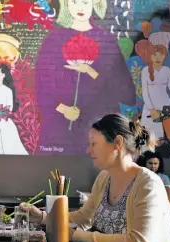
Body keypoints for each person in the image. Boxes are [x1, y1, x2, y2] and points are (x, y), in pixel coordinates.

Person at [21, 114, 170, 242]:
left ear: (117, 143)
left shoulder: (148, 184)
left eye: (93, 143)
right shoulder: (104, 178)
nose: (89, 150)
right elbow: (83, 218)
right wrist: (43, 218)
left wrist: (76, 236)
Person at [35, 0, 136, 155]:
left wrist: (91, 72)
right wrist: (62, 109)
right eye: (74, 2)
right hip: (61, 132)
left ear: (95, 4)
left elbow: (126, 92)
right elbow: (42, 85)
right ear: (66, 5)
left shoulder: (106, 40)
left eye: (85, 2)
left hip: (99, 128)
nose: (80, 7)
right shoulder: (54, 39)